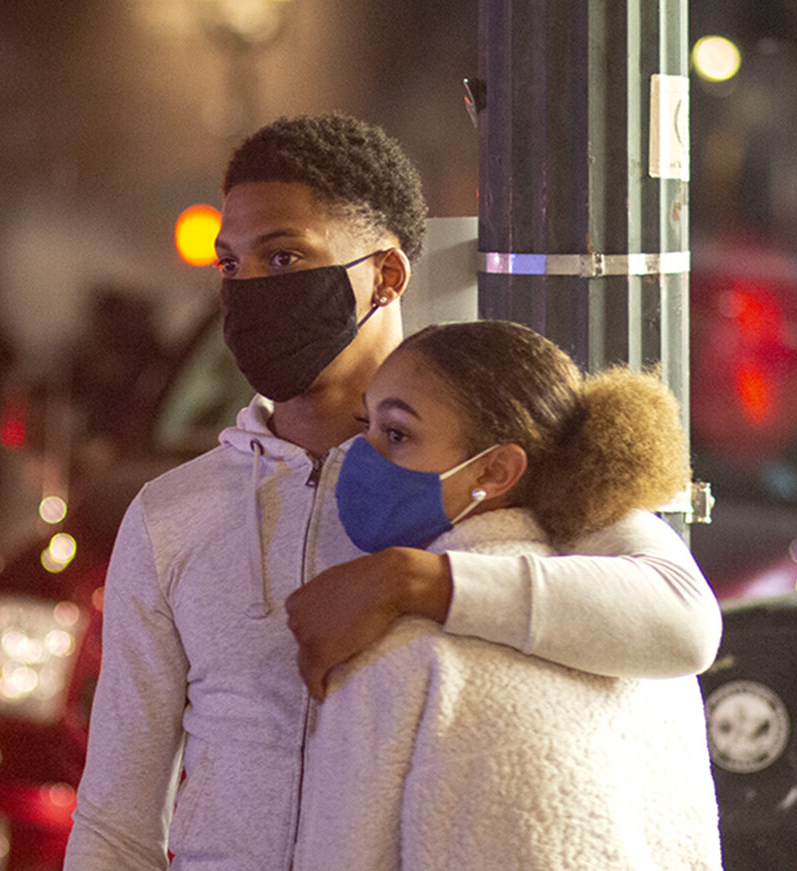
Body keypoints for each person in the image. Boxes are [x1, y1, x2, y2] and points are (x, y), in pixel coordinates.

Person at [63, 113, 721, 871]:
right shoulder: (170, 514)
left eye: (283, 258)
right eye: (231, 265)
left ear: (386, 275)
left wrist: (417, 581)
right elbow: (116, 820)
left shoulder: (481, 468)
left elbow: (681, 619)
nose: (248, 290)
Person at [294, 320, 722, 870]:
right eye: (366, 424)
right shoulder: (646, 658)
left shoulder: (400, 648)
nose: (356, 455)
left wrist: (412, 579)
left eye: (396, 433)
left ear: (496, 469)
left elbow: (344, 855)